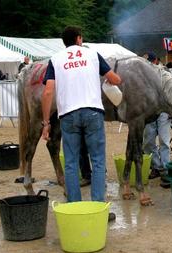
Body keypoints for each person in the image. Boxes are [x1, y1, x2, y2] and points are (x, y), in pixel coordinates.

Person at [41, 26, 121, 218]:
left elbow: (48, 92)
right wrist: (114, 80)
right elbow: (115, 79)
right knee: (98, 161)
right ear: (78, 39)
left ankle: (74, 208)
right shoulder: (92, 54)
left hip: (68, 114)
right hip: (93, 112)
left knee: (70, 162)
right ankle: (99, 208)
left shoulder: (55, 59)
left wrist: (46, 123)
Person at [143, 52, 172, 183]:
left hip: (163, 111)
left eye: (147, 61)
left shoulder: (164, 73)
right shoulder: (142, 76)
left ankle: (166, 169)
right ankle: (156, 166)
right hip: (148, 111)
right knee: (148, 142)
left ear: (154, 61)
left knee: (164, 140)